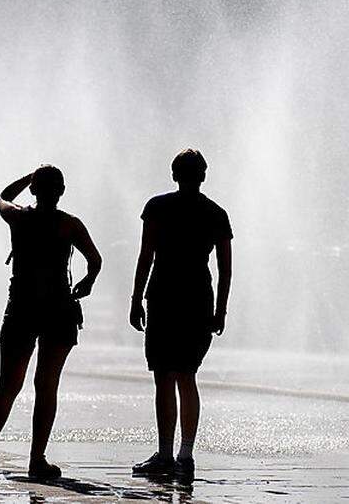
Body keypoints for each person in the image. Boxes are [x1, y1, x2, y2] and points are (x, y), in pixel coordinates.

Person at [0, 165, 102, 481]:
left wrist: (26, 178)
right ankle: (36, 460)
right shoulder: (70, 225)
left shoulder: (19, 217)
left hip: (22, 307)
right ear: (61, 191)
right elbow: (95, 261)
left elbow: (1, 197)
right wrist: (86, 283)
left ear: (34, 190)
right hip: (58, 308)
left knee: (8, 384)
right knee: (46, 386)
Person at [130, 149, 232, 479]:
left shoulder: (157, 207)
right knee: (187, 376)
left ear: (174, 175)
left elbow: (146, 255)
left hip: (163, 296)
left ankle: (164, 454)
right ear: (203, 176)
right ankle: (185, 455)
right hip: (198, 298)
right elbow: (225, 268)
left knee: (163, 377)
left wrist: (135, 299)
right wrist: (221, 309)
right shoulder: (216, 214)